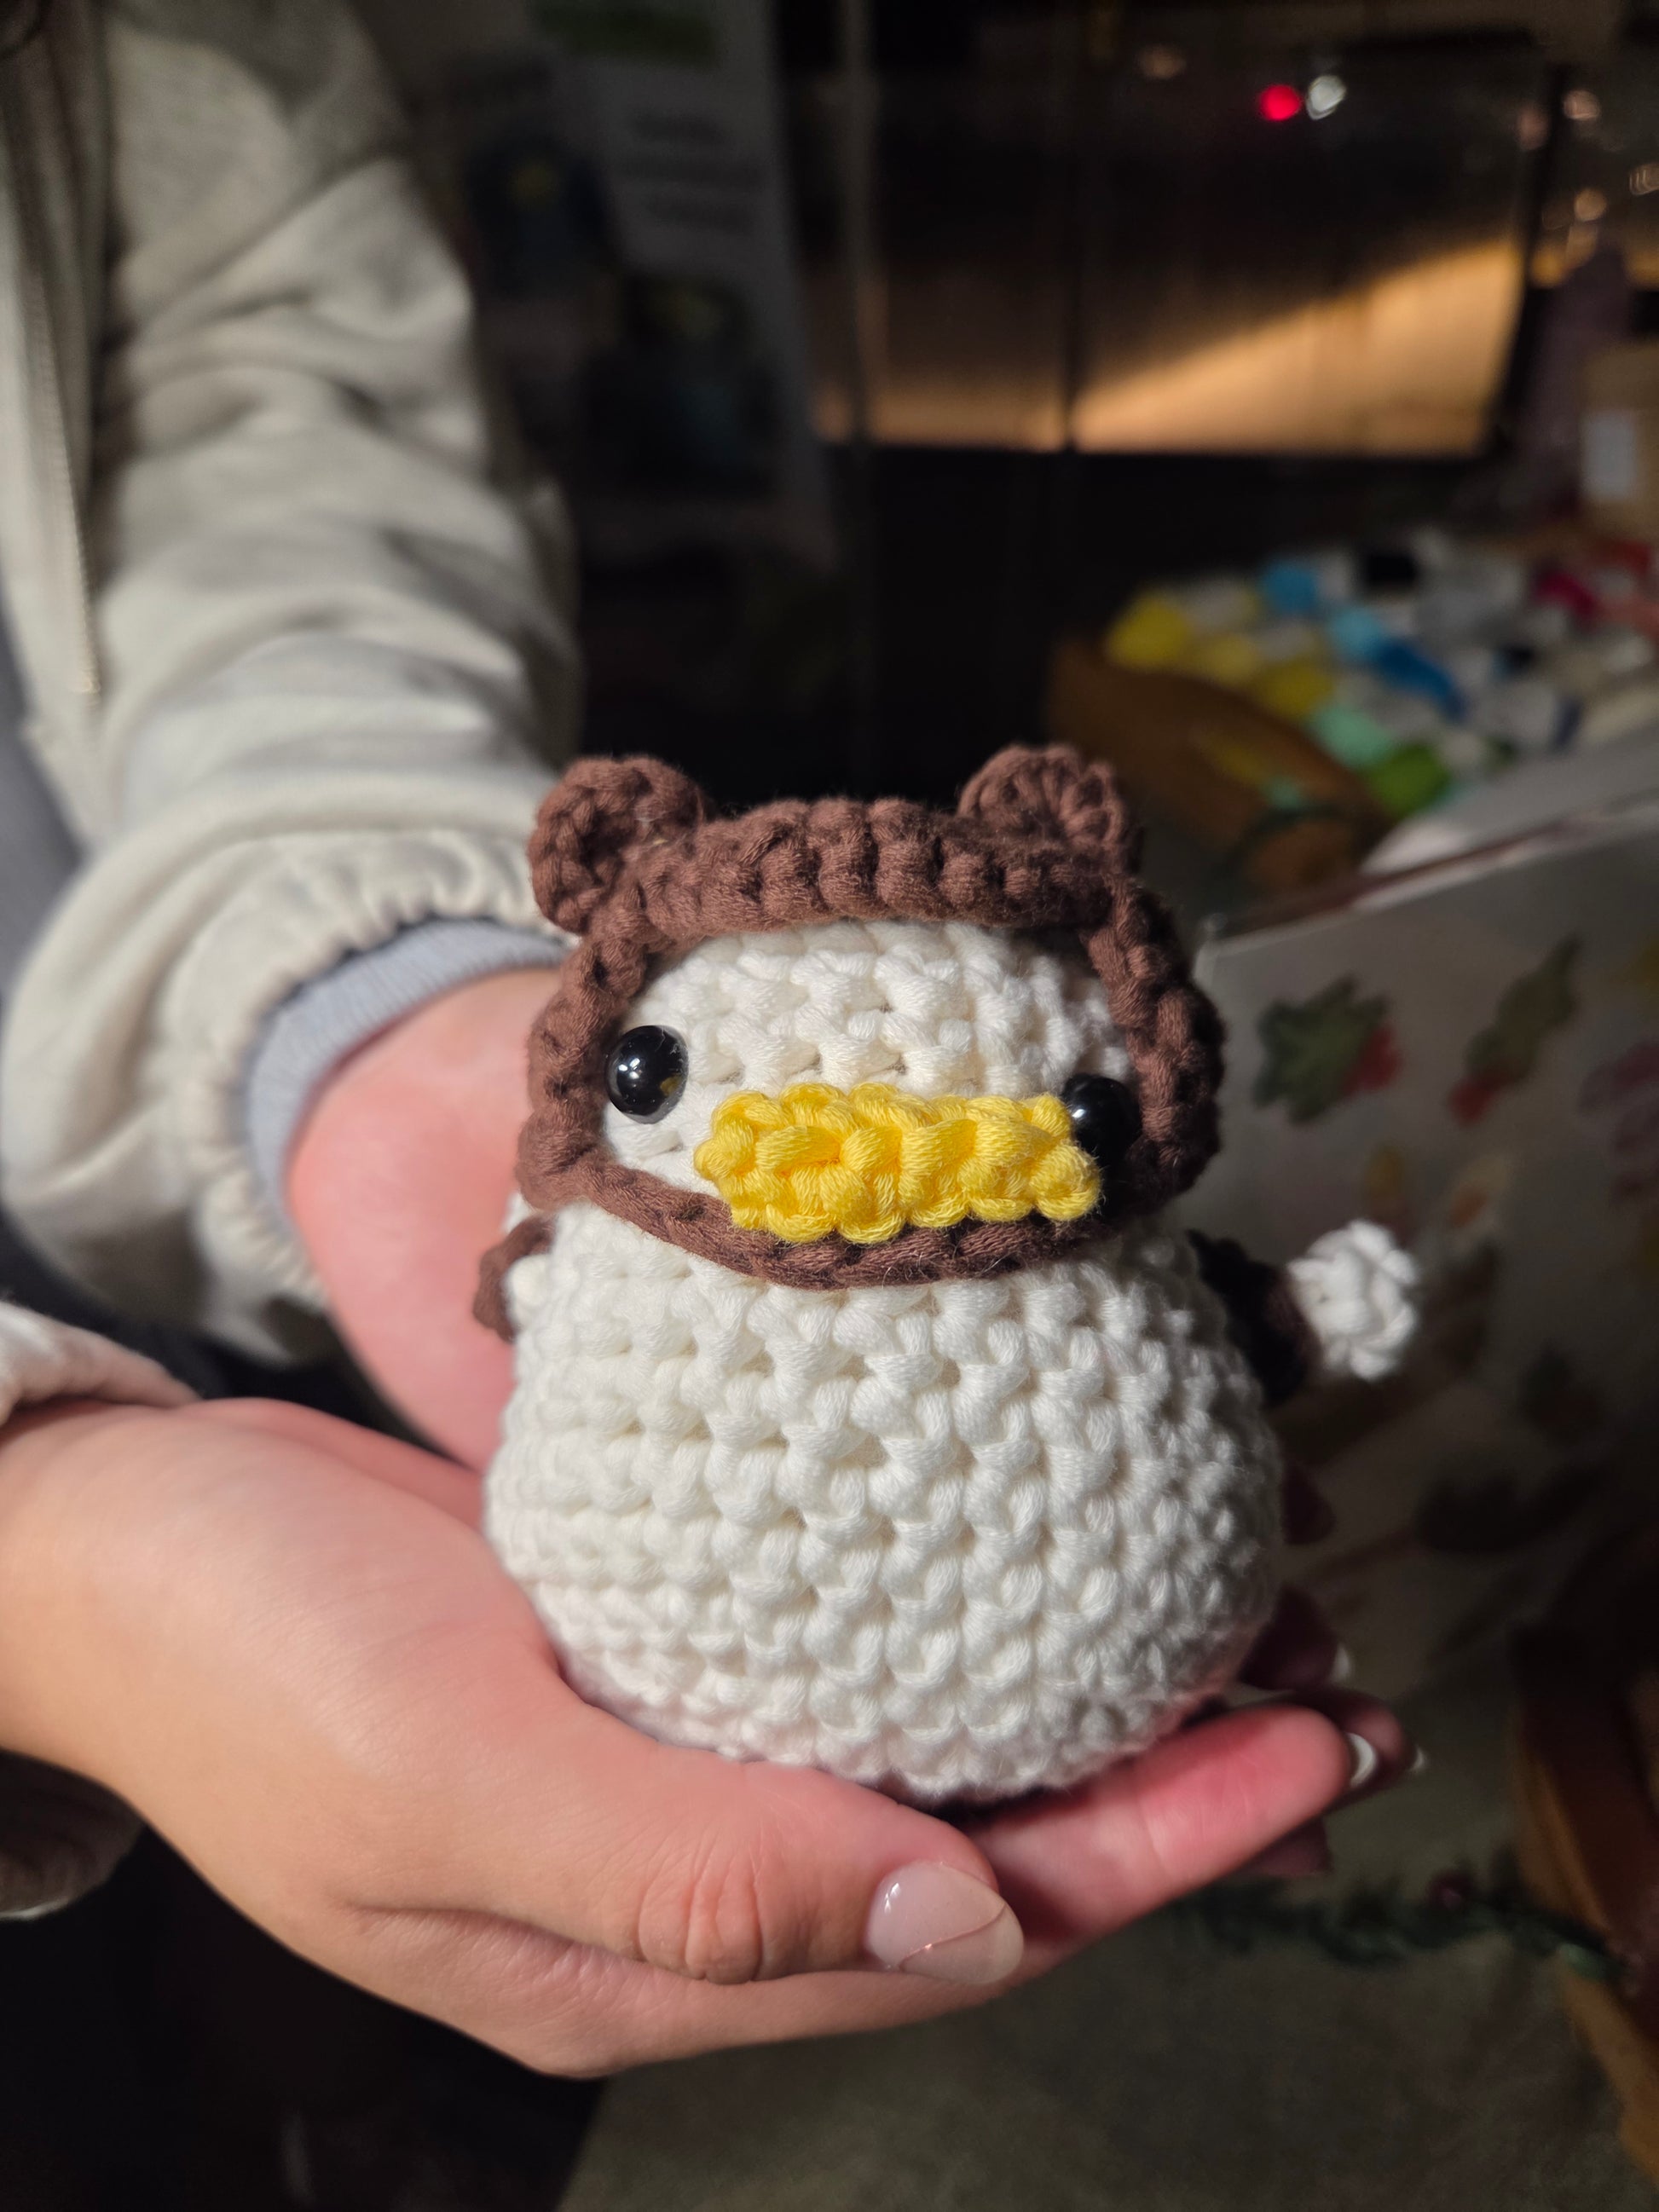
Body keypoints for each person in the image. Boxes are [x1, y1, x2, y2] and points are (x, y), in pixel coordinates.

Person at [0, 0, 1410, 2088]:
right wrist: (38, 1561)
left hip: (178, 1039)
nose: (861, 1147)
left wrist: (359, 1008)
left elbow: (257, 381)